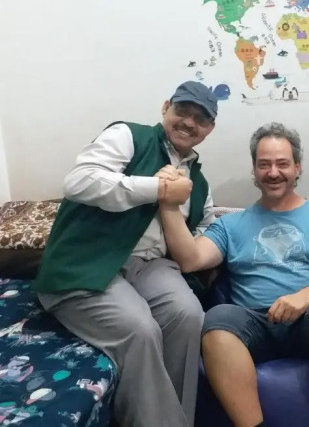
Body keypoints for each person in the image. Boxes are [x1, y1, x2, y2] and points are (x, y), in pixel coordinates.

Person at [33, 81, 219, 427]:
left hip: (151, 266)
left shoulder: (200, 182)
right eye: (183, 111)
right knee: (139, 329)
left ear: (209, 129)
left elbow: (205, 228)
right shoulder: (128, 136)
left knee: (189, 313)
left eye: (201, 119)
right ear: (165, 107)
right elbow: (79, 182)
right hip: (90, 260)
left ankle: (173, 418)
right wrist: (158, 188)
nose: (189, 123)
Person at [159, 122, 309, 427]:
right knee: (216, 320)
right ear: (254, 170)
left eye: (282, 163)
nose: (273, 172)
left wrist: (304, 297)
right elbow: (190, 260)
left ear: (297, 167)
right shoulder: (231, 225)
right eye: (264, 164)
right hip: (255, 322)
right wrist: (169, 205)